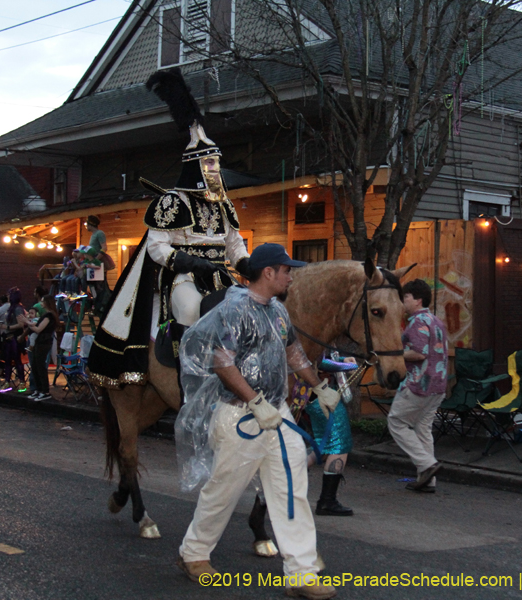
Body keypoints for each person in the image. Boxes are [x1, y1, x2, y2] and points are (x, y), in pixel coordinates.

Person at [175, 243, 338, 600]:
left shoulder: (278, 310)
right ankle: (194, 553)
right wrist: (254, 401)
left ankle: (301, 570)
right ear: (269, 273)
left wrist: (320, 387)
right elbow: (222, 362)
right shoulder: (234, 310)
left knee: (290, 490)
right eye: (286, 270)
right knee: (225, 488)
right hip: (240, 416)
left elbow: (293, 351)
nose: (290, 276)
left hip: (275, 415)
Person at [87, 68, 249, 389]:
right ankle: (187, 377)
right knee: (190, 307)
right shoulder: (172, 203)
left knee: (248, 310)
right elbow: (157, 247)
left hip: (218, 273)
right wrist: (188, 262)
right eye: (209, 167)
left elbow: (235, 244)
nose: (215, 173)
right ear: (196, 169)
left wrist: (248, 264)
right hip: (181, 277)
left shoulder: (222, 204)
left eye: (215, 166)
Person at [387, 279, 449, 493]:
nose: (403, 301)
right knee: (423, 429)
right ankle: (427, 480)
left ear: (418, 299)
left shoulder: (416, 322)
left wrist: (394, 356)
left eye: (406, 297)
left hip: (418, 383)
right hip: (439, 384)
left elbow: (419, 353)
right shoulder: (436, 321)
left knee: (396, 422)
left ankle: (426, 464)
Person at [20, 295, 58, 402]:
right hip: (40, 342)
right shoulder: (46, 315)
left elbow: (38, 329)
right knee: (35, 366)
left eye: (43, 301)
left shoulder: (49, 316)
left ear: (47, 302)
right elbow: (35, 325)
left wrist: (26, 322)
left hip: (44, 343)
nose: (41, 303)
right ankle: (38, 389)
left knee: (40, 367)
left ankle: (44, 391)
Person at [0, 288, 27, 393]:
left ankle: (21, 381)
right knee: (8, 360)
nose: (7, 296)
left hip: (15, 337)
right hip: (9, 337)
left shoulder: (18, 308)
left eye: (9, 294)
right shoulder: (12, 308)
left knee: (17, 360)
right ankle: (7, 381)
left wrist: (8, 327)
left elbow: (21, 324)